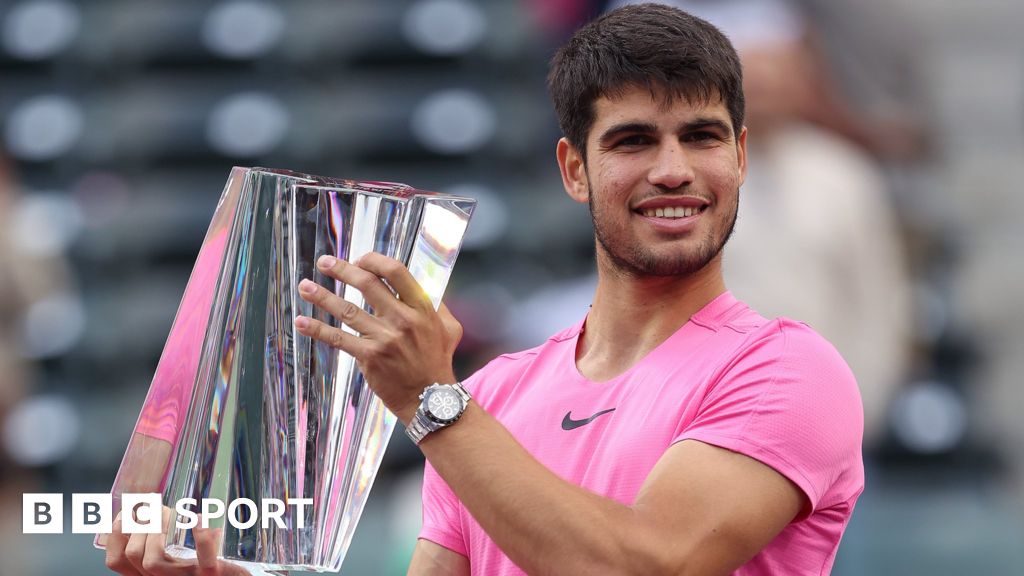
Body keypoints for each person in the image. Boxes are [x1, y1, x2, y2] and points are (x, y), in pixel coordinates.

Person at [106, 4, 863, 575]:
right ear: (573, 170)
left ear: (740, 157)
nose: (673, 169)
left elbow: (650, 565)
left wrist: (432, 402)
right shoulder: (493, 397)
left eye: (700, 137)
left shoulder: (790, 370)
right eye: (633, 141)